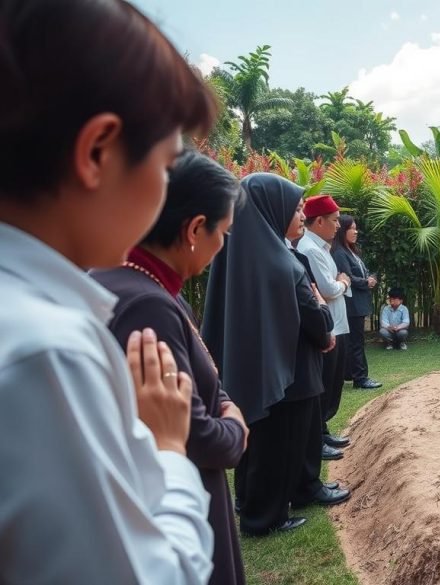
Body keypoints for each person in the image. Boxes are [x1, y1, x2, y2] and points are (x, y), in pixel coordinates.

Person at [0, 1, 218, 582]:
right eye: (167, 166)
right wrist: (170, 450)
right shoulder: (47, 354)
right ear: (98, 152)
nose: (166, 192)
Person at [92, 150, 249, 584]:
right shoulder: (147, 305)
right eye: (225, 233)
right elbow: (189, 432)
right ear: (196, 228)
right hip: (178, 498)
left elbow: (203, 383)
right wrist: (235, 430)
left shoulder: (141, 283)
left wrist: (222, 401)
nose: (223, 247)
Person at [202, 173, 343, 537]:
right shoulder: (281, 262)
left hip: (250, 366)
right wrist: (322, 316)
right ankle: (265, 517)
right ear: (272, 209)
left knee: (258, 444)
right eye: (295, 209)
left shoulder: (235, 254)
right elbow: (313, 315)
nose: (300, 216)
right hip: (290, 371)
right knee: (280, 447)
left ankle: (250, 503)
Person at [296, 194, 352, 457]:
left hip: (337, 325)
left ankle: (323, 432)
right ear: (318, 221)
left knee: (331, 384)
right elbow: (328, 289)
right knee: (323, 386)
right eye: (335, 220)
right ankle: (317, 439)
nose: (338, 226)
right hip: (328, 328)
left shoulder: (321, 248)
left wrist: (337, 283)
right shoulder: (309, 249)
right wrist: (344, 283)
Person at [333, 215, 383, 389]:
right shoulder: (339, 252)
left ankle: (352, 374)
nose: (355, 232)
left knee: (354, 341)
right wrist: (365, 282)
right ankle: (360, 378)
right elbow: (347, 277)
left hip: (358, 303)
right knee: (355, 342)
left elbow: (362, 272)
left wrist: (371, 277)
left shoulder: (351, 251)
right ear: (342, 231)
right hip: (351, 304)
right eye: (351, 228)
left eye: (356, 228)